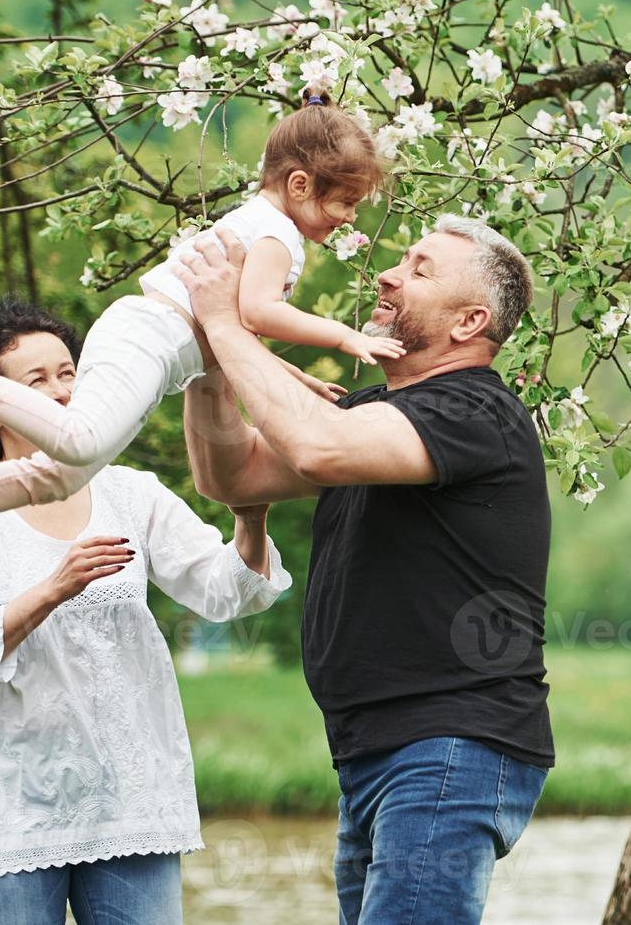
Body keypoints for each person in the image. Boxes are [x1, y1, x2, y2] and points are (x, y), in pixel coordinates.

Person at [176, 216, 553, 924]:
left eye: (419, 268)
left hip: (448, 745)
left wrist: (230, 325)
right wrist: (207, 360)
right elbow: (233, 475)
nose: (387, 273)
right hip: (374, 749)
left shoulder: (477, 412)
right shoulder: (376, 413)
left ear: (470, 322)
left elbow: (320, 447)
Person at [0, 94, 398, 594]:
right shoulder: (278, 236)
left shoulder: (265, 222)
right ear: (301, 184)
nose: (350, 217)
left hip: (153, 349)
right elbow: (261, 312)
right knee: (79, 442)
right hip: (147, 341)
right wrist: (343, 334)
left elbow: (236, 331)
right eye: (345, 202)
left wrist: (295, 377)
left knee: (63, 474)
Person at [0, 297, 292, 924]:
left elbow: (228, 591)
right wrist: (49, 591)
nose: (62, 391)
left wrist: (250, 511)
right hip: (10, 795)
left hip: (131, 795)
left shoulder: (129, 491)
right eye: (37, 381)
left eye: (69, 373)